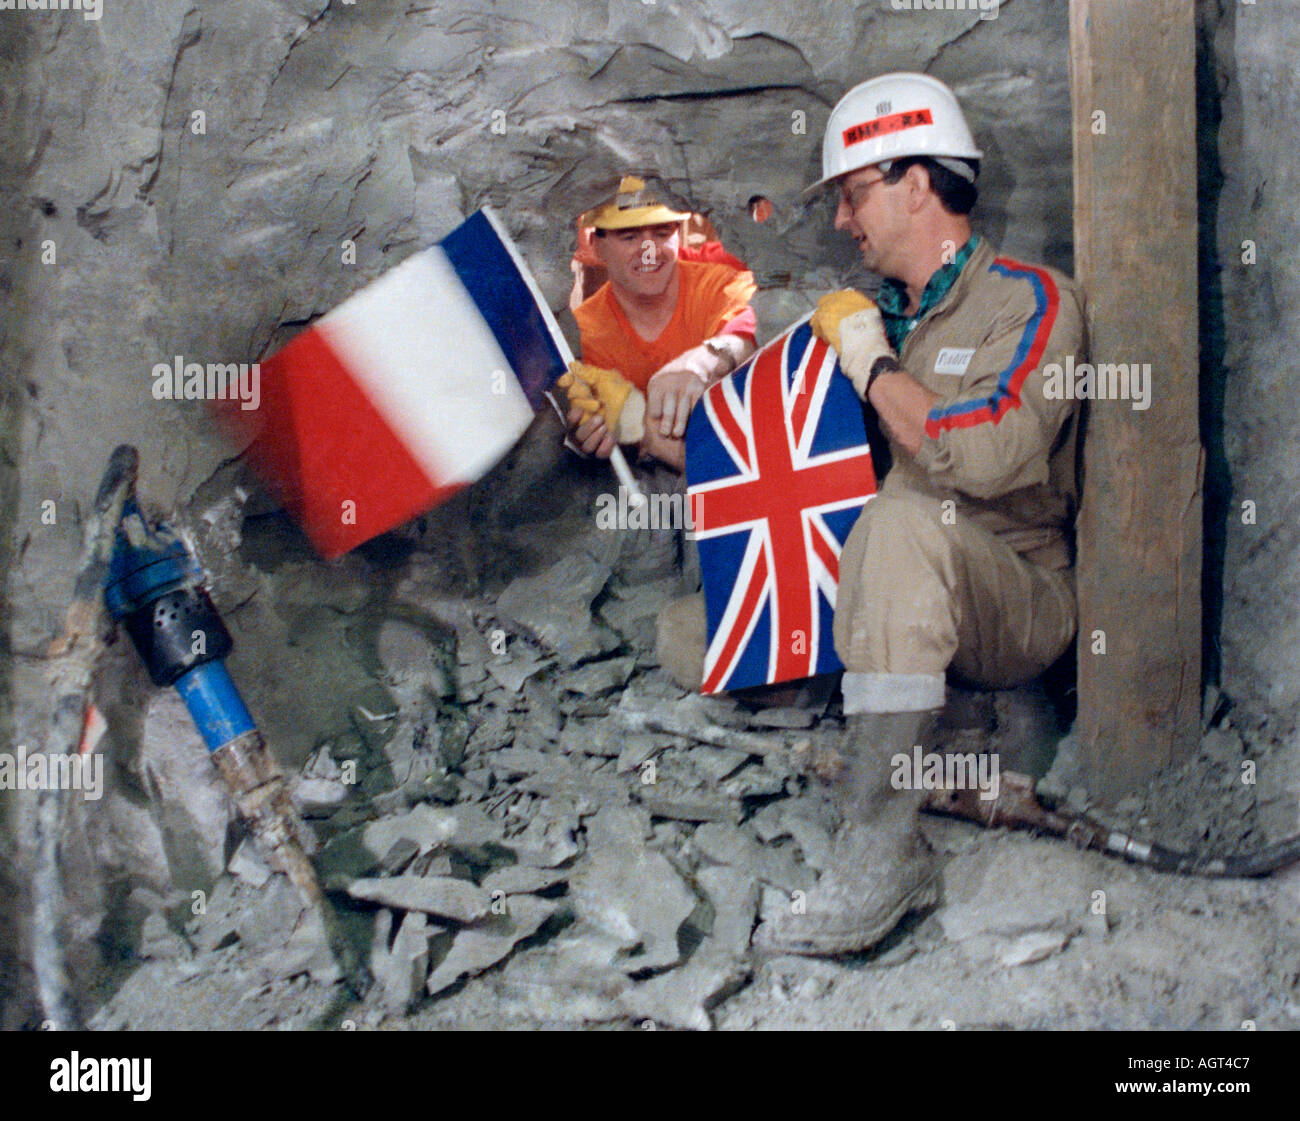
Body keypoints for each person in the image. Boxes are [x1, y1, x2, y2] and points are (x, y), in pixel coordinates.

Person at [747, 72, 1085, 954]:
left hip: (1018, 593)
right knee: (692, 634)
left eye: (854, 194)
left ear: (918, 181)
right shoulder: (888, 318)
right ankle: (951, 731)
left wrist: (871, 364)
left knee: (899, 526)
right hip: (914, 591)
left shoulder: (1030, 298)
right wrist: (646, 421)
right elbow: (777, 464)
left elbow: (996, 448)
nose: (841, 220)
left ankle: (881, 850)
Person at [561, 176, 757, 472]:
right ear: (596, 246)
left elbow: (753, 335)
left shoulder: (719, 286)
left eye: (663, 233)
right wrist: (589, 437)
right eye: (629, 237)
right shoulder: (584, 335)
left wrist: (704, 360)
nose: (649, 250)